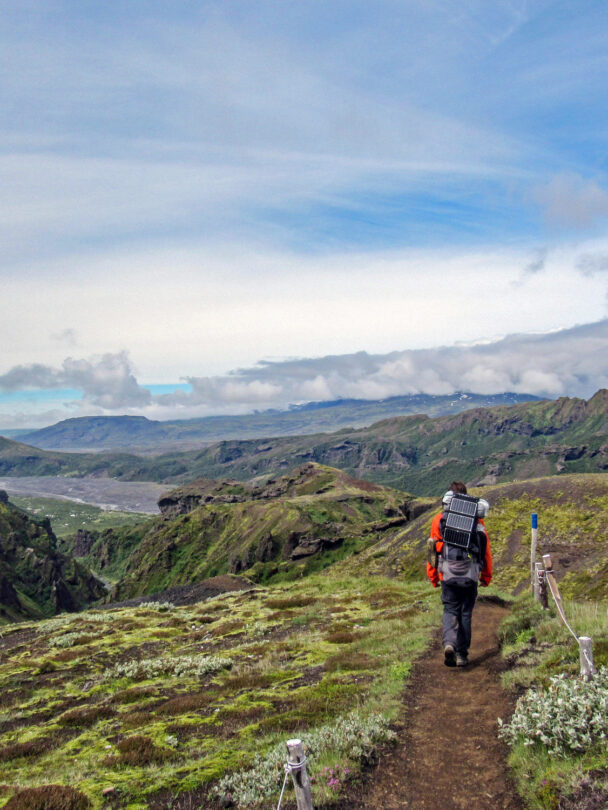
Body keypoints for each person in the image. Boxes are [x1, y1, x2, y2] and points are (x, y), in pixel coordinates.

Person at [426, 481, 492, 667]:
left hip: (447, 575)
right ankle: (462, 655)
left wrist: (433, 576)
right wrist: (486, 576)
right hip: (470, 575)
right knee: (465, 613)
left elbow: (432, 550)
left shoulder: (439, 520)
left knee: (450, 610)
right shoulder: (477, 522)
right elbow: (485, 550)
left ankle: (449, 644)